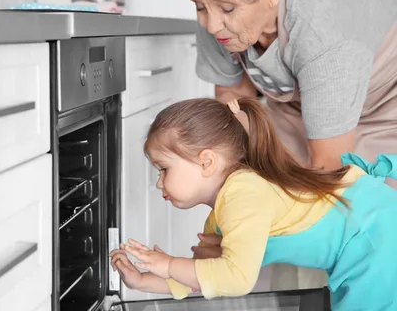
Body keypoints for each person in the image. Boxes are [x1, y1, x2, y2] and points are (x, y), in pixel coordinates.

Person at [175, 0, 397, 289]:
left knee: (370, 218)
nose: (211, 25)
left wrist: (247, 247)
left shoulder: (325, 31)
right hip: (299, 93)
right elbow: (235, 115)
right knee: (266, 184)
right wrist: (229, 221)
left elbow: (329, 173)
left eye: (227, 10)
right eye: (200, 6)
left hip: (386, 94)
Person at [109, 98, 397, 311]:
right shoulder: (224, 209)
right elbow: (206, 276)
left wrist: (170, 264)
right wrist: (143, 281)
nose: (159, 183)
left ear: (206, 162)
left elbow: (236, 279)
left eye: (164, 169)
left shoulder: (243, 194)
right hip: (367, 225)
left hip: (372, 234)